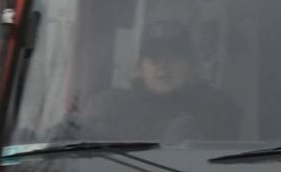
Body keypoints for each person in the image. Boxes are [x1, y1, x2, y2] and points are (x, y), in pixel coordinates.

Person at [80, 19, 239, 141]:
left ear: (193, 67)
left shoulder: (216, 106)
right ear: (140, 68)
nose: (164, 67)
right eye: (154, 60)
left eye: (174, 59)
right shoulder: (109, 105)